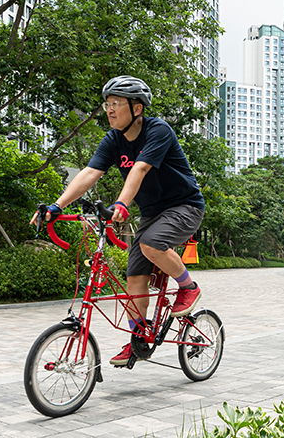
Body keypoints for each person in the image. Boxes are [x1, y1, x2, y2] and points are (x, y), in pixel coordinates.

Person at [32, 75, 205, 367]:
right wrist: (57, 206)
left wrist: (122, 204)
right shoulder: (113, 140)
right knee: (134, 276)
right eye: (107, 104)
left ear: (137, 108)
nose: (109, 109)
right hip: (152, 213)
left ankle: (188, 287)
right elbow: (88, 174)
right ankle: (139, 338)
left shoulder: (158, 130)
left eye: (116, 103)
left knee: (151, 243)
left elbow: (138, 170)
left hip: (184, 206)